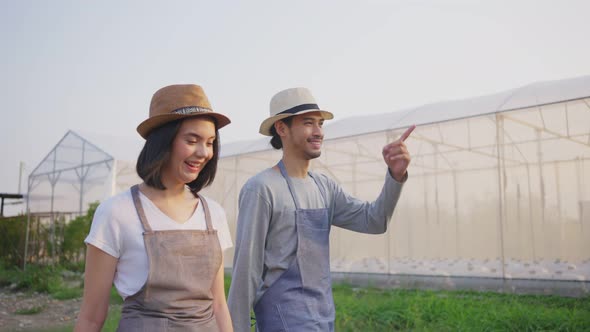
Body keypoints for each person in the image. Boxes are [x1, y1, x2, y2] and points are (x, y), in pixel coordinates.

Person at [227, 87, 414, 331]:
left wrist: (395, 175)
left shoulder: (324, 186)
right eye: (308, 123)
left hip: (323, 318)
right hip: (283, 320)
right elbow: (246, 271)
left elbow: (374, 220)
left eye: (320, 124)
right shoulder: (262, 189)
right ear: (281, 128)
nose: (318, 132)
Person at [75, 84, 234, 332]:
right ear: (163, 141)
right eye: (192, 140)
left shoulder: (213, 214)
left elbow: (219, 307)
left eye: (211, 142)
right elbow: (91, 317)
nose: (203, 153)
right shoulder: (117, 213)